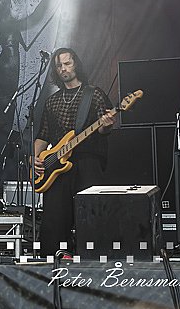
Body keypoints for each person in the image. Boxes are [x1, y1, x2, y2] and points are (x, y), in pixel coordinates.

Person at [31, 48, 115, 255]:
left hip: (87, 161)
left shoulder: (94, 94)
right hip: (55, 166)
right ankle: (54, 258)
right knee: (54, 218)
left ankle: (93, 258)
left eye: (67, 63)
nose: (63, 68)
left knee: (91, 213)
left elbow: (104, 129)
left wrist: (106, 124)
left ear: (76, 64)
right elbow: (43, 135)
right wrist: (34, 158)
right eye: (59, 65)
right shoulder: (52, 101)